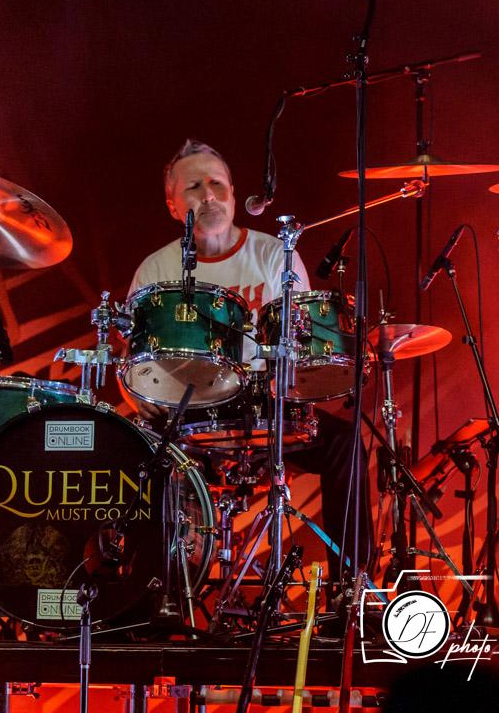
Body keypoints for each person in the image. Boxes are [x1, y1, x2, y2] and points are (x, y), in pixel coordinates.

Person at [127, 138, 371, 580]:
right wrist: (142, 400)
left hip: (267, 405)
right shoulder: (155, 270)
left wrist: (291, 380)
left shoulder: (275, 255)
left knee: (345, 443)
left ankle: (351, 586)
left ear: (234, 194)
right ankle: (152, 589)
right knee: (134, 451)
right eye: (193, 187)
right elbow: (133, 361)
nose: (209, 196)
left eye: (217, 184)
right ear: (172, 205)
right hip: (188, 412)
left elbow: (301, 344)